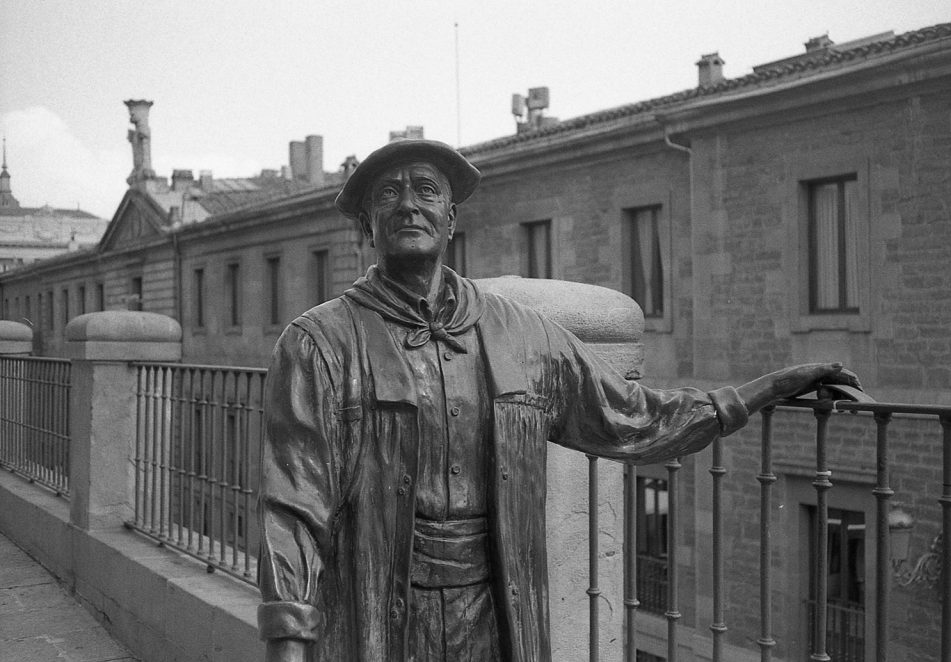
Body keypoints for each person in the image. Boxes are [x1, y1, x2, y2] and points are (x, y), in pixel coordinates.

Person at [257, 139, 859, 661]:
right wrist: (289, 640)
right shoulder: (319, 343)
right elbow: (293, 507)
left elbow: (635, 417)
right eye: (388, 194)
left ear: (450, 218)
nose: (409, 203)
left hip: (494, 615)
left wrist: (767, 389)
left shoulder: (523, 335)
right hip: (377, 614)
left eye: (426, 190)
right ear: (366, 223)